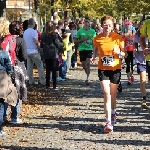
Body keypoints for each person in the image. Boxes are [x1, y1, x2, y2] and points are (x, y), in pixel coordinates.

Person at [92, 15, 126, 133]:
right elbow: (95, 49)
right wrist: (94, 56)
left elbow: (125, 54)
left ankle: (113, 112)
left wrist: (119, 52)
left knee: (113, 94)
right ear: (102, 25)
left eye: (110, 25)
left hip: (115, 69)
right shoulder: (97, 38)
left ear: (113, 26)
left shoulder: (118, 38)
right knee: (106, 94)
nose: (107, 27)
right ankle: (108, 122)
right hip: (103, 69)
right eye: (105, 24)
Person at [40, 22, 63, 90]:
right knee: (54, 70)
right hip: (53, 54)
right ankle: (54, 85)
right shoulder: (54, 35)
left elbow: (41, 44)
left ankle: (47, 85)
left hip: (46, 53)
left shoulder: (43, 35)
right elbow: (58, 44)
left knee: (47, 70)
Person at [23, 18, 46, 85]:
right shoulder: (33, 31)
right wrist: (39, 48)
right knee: (40, 66)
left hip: (27, 51)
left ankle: (31, 81)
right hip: (34, 51)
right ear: (33, 23)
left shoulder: (25, 32)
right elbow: (36, 41)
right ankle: (42, 81)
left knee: (29, 67)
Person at [74, 17, 96, 85]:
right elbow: (75, 41)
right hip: (82, 49)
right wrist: (81, 40)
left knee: (88, 63)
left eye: (88, 22)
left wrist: (94, 51)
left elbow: (94, 41)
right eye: (85, 21)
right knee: (84, 65)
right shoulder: (80, 31)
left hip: (89, 49)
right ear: (83, 23)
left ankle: (88, 78)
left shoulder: (92, 31)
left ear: (90, 23)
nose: (86, 23)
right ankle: (87, 74)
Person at [134, 20, 148, 109]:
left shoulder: (148, 35)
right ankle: (144, 99)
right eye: (141, 25)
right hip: (141, 60)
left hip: (148, 60)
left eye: (144, 25)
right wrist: (135, 49)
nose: (142, 27)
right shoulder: (137, 35)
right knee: (143, 79)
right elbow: (135, 44)